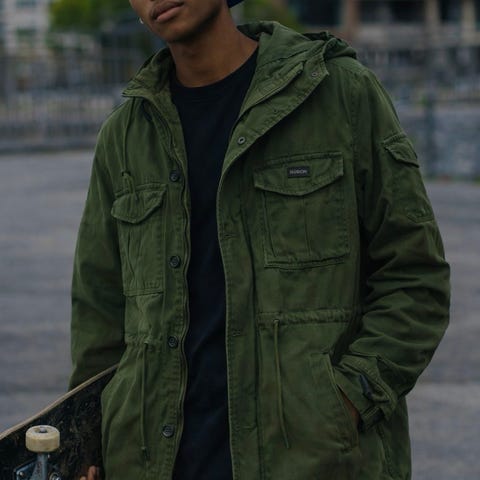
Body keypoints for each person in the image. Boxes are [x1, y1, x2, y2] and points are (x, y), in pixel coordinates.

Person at [71, 0, 450, 479]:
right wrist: (87, 443)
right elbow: (99, 316)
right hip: (151, 462)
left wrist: (348, 399)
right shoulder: (124, 136)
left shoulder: (339, 94)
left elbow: (415, 277)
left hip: (311, 462)